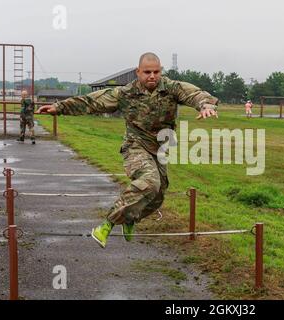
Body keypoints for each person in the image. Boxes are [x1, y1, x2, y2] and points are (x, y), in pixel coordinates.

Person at [36, 52, 219, 248]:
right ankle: (107, 224)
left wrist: (205, 105)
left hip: (159, 150)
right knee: (149, 182)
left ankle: (130, 219)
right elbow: (92, 101)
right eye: (147, 72)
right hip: (135, 146)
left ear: (161, 71)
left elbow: (194, 94)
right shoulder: (125, 93)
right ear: (138, 72)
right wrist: (59, 107)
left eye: (156, 72)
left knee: (157, 196)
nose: (152, 76)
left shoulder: (172, 88)